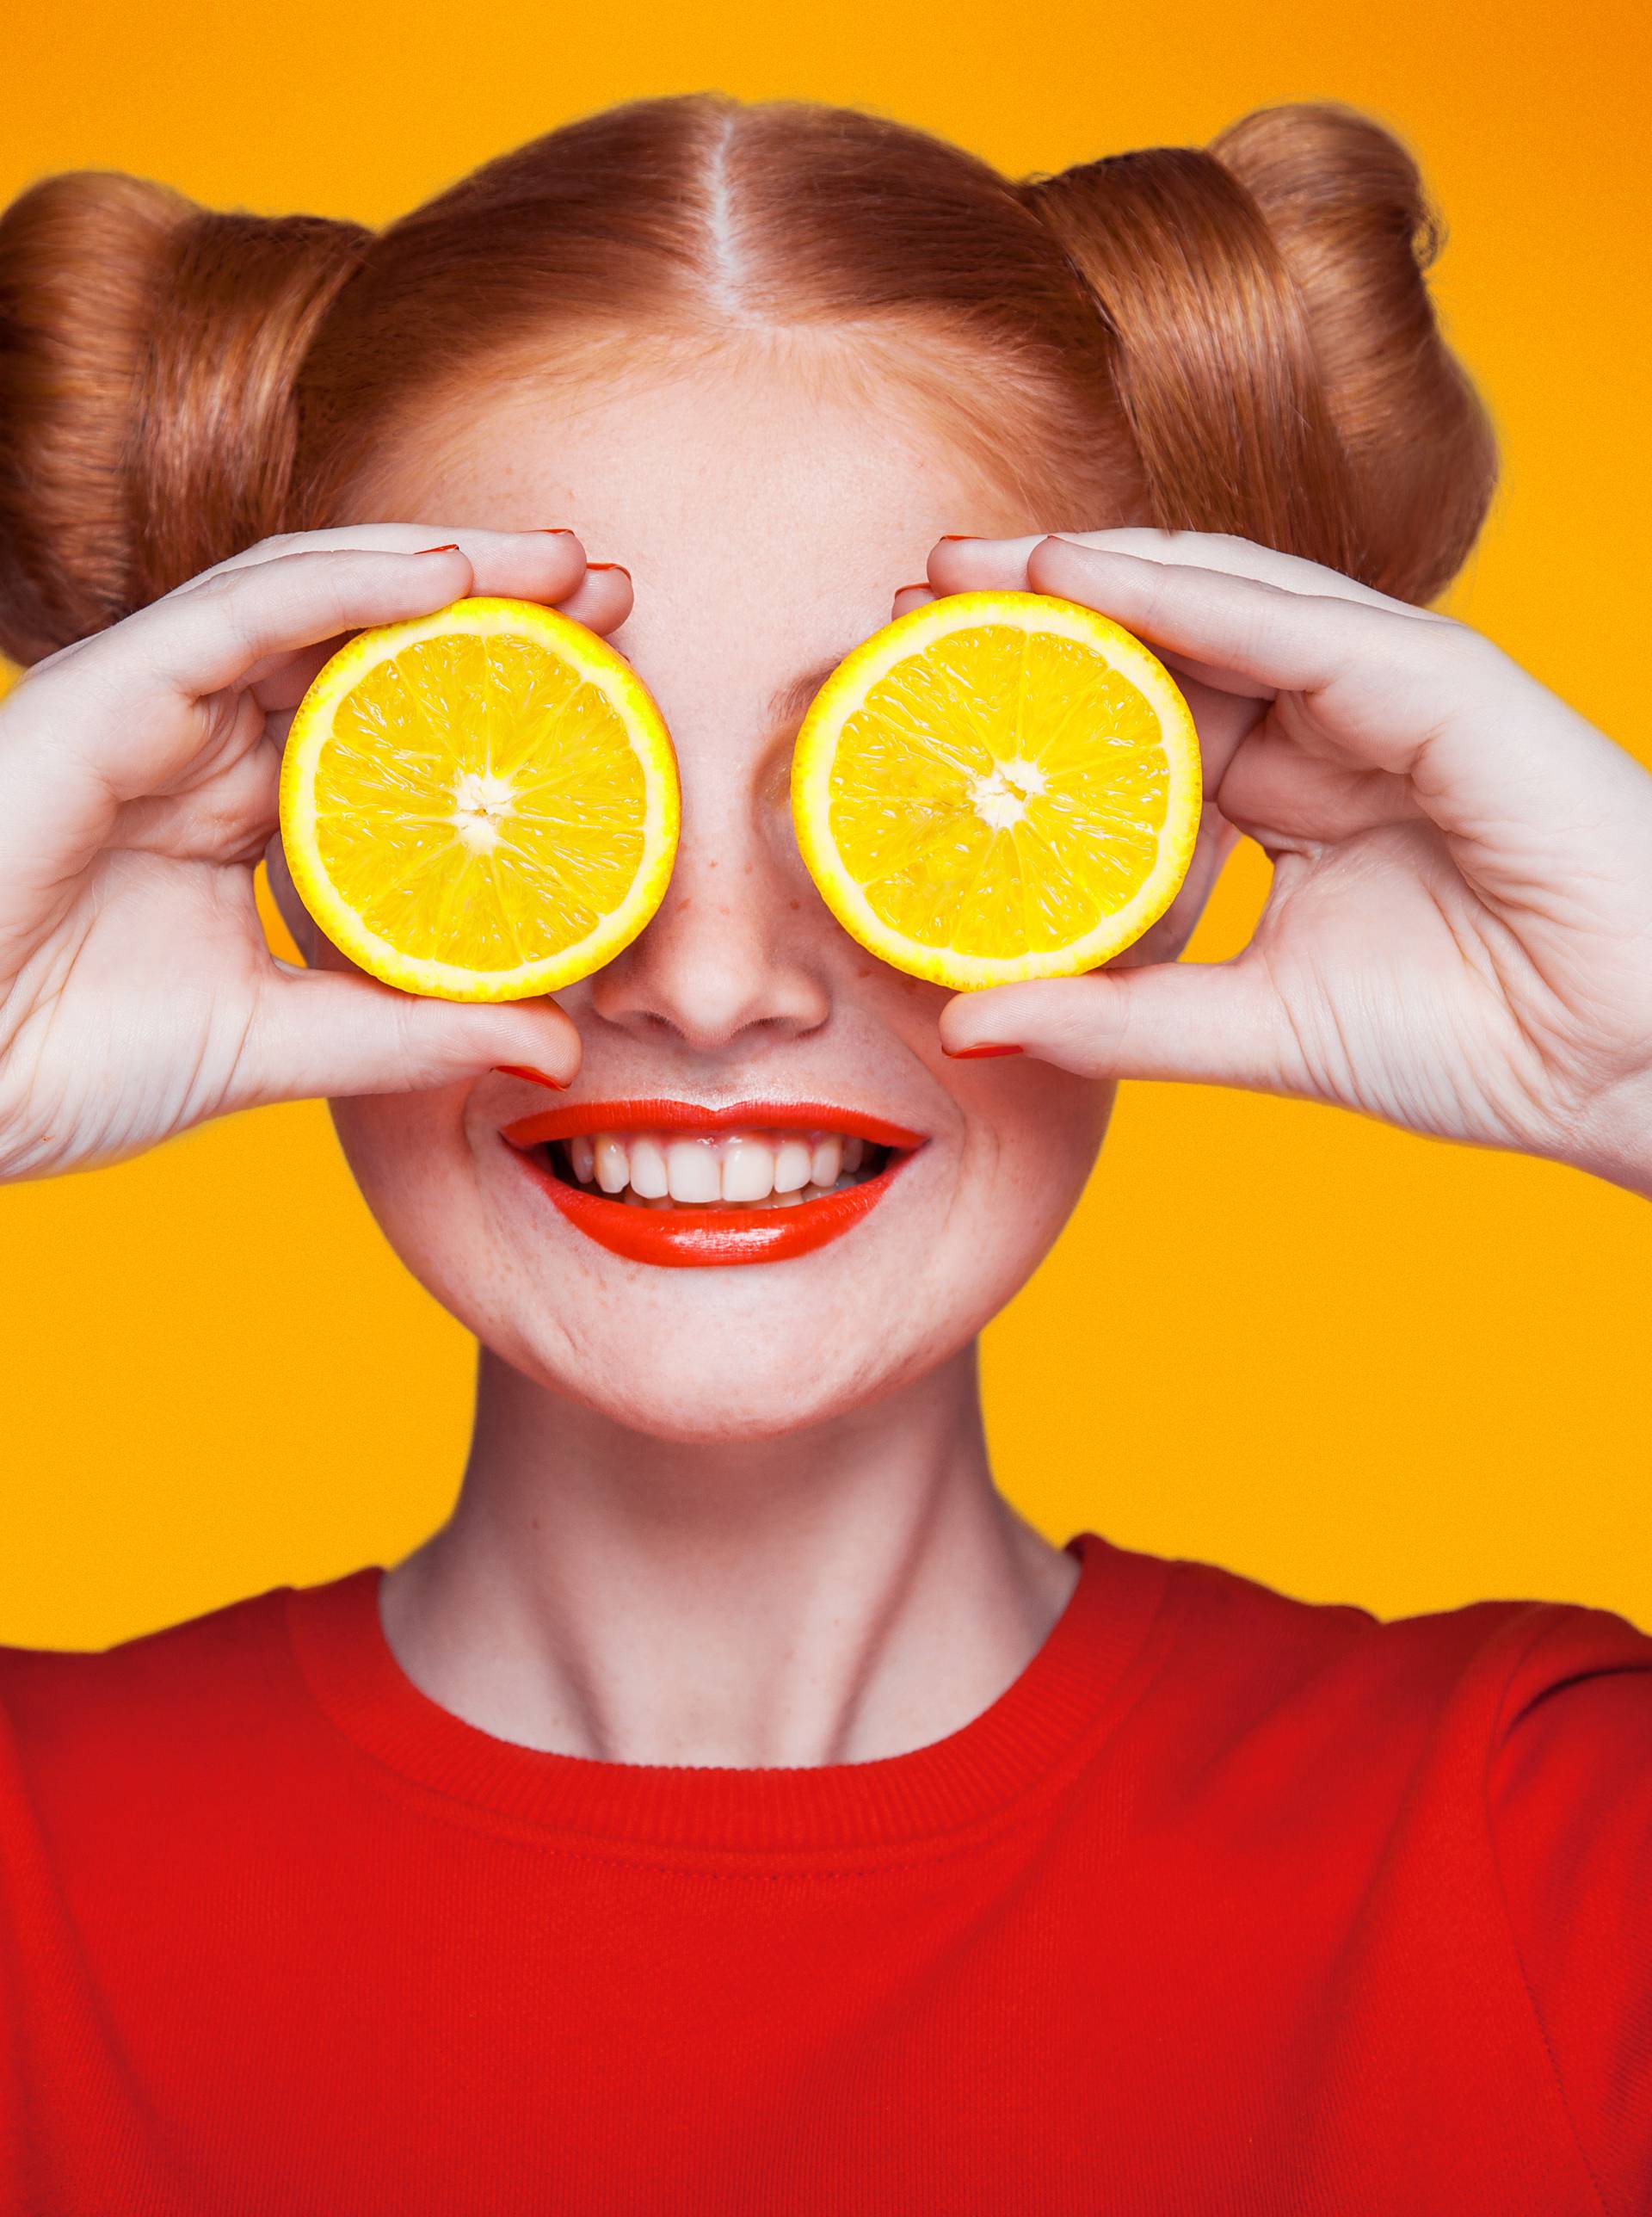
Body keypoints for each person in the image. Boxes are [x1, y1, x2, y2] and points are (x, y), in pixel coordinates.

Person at [0, 92, 1647, 2216]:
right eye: (528, 790)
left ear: (1154, 839)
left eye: (910, 778)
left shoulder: (1544, 1851)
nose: (708, 982)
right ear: (297, 851)